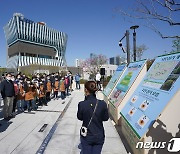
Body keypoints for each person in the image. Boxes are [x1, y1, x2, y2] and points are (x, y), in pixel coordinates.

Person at [77, 81, 109, 154]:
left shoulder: (82, 104)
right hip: (99, 134)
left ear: (86, 90)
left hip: (87, 135)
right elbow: (105, 118)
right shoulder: (102, 104)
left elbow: (80, 117)